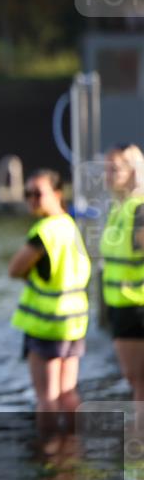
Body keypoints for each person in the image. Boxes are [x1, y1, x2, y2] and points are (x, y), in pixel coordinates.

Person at [8, 169, 90, 427]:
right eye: (27, 193)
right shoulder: (69, 225)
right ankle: (77, 450)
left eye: (38, 193)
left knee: (46, 397)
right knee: (68, 393)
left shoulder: (44, 231)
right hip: (74, 321)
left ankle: (49, 457)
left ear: (56, 194)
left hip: (47, 323)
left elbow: (15, 269)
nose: (32, 199)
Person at [100, 144, 144, 410]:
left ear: (133, 171)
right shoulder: (120, 208)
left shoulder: (139, 209)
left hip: (136, 306)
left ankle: (138, 445)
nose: (108, 174)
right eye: (107, 168)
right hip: (121, 306)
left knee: (140, 385)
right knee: (135, 381)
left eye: (114, 168)